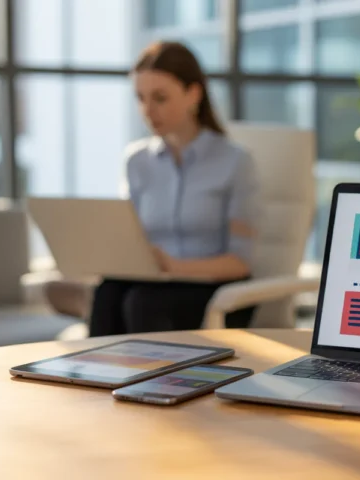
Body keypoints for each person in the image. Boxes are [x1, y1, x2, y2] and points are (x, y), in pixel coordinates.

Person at [86, 41, 258, 337]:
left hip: (214, 287)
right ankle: (93, 379)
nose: (147, 110)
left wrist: (175, 266)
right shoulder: (136, 161)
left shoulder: (235, 162)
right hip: (153, 282)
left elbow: (240, 263)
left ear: (193, 94)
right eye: (140, 98)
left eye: (160, 98)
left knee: (142, 303)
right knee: (108, 292)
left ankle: (148, 383)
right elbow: (129, 239)